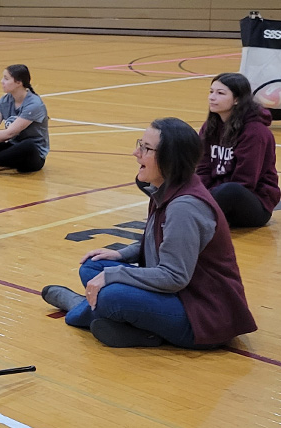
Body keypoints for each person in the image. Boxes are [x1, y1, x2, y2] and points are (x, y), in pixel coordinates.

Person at [41, 118, 257, 348]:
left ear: (170, 158)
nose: (136, 152)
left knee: (111, 295)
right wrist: (122, 256)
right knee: (92, 266)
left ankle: (79, 307)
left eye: (145, 148)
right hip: (180, 295)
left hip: (204, 315)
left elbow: (174, 277)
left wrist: (114, 275)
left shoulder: (184, 207)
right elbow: (159, 241)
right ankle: (138, 328)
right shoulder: (167, 188)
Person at [196, 72, 280, 228]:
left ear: (237, 99)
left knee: (230, 190)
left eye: (220, 93)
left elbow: (245, 181)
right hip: (215, 195)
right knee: (158, 177)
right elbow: (202, 168)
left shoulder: (255, 132)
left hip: (251, 203)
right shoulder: (209, 127)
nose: (212, 97)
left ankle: (189, 213)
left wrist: (202, 196)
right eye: (211, 91)